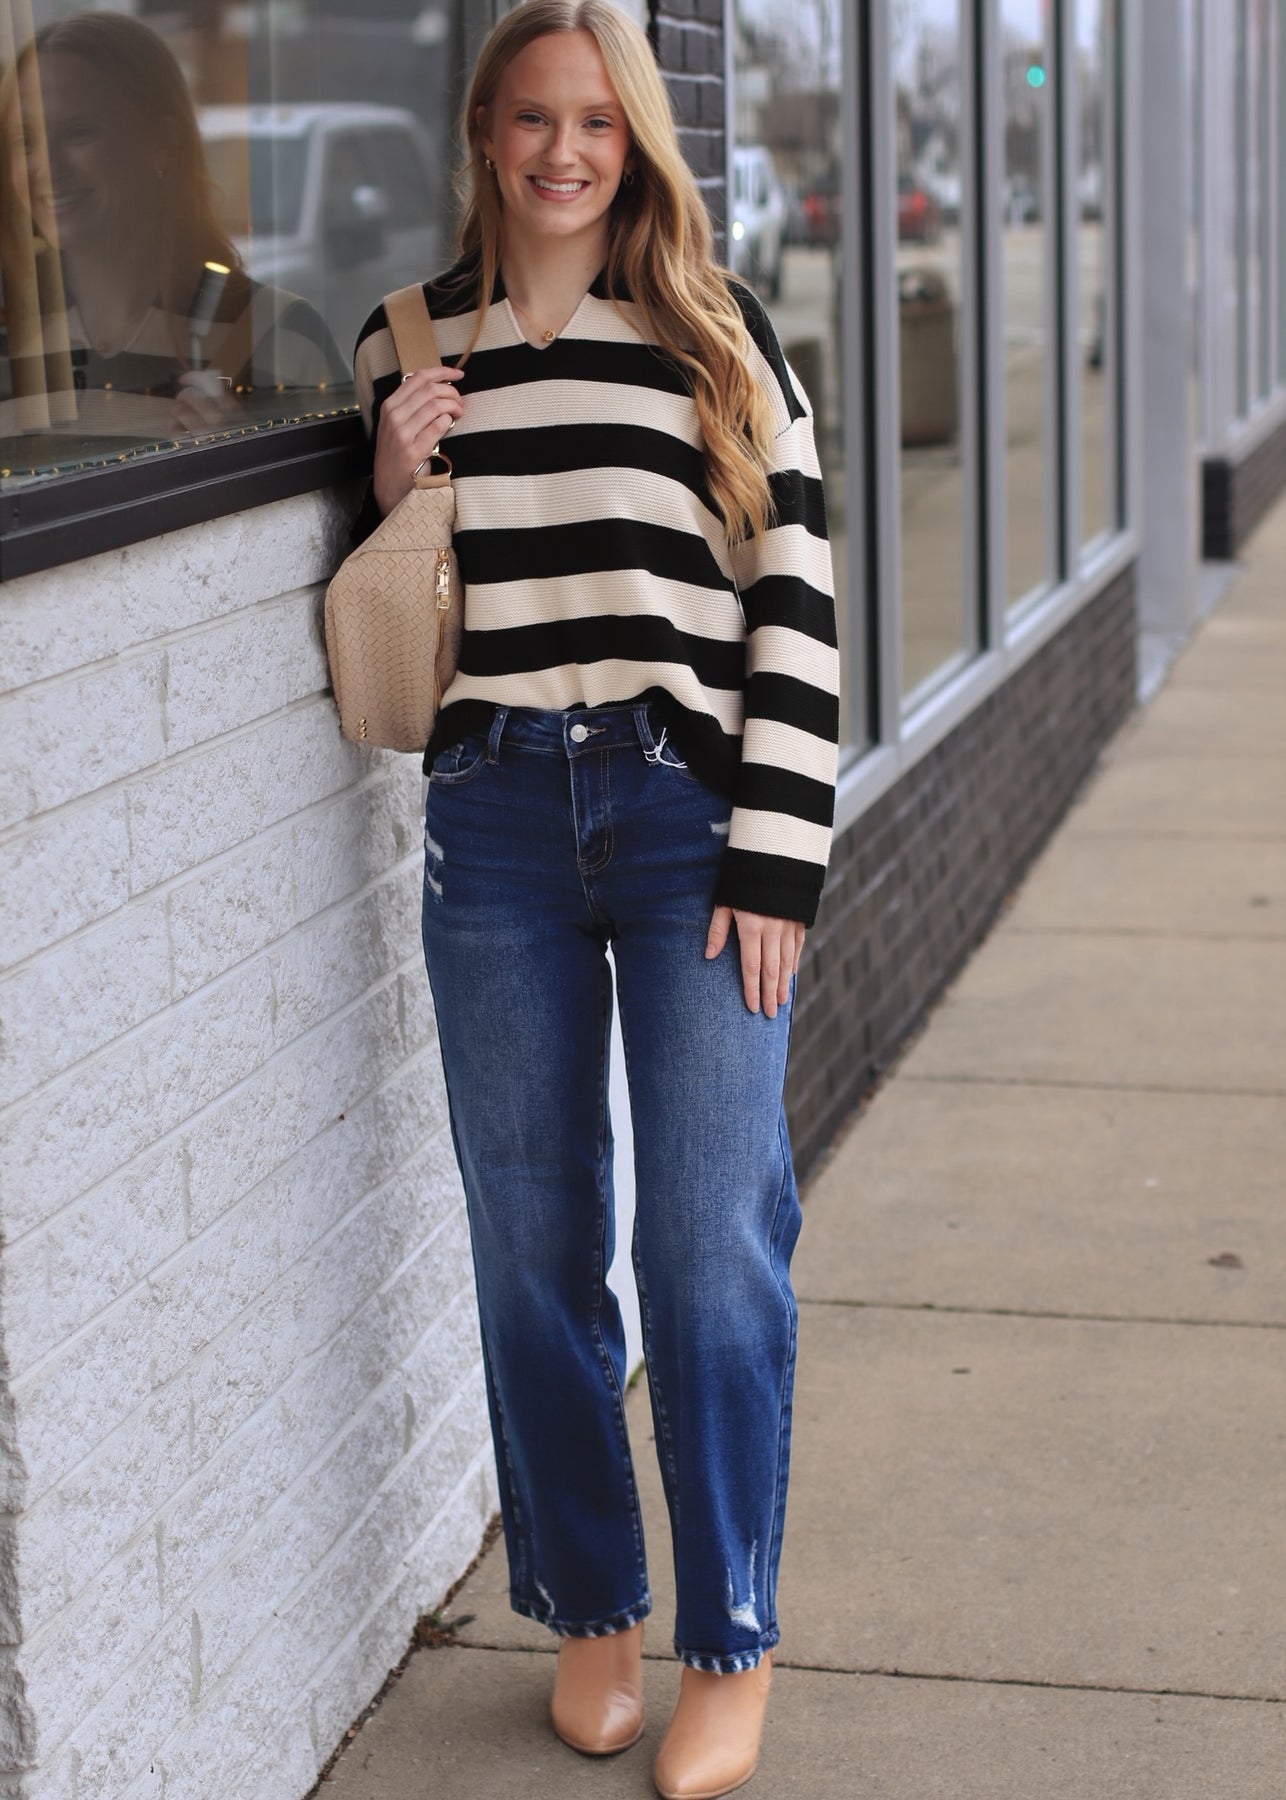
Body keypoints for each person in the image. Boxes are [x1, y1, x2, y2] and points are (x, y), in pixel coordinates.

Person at [353, 4, 838, 1794]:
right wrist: (391, 482)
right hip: (487, 819)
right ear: (484, 130)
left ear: (635, 142)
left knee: (709, 1242)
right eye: (533, 118)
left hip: (686, 818)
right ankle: (589, 1608)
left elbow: (796, 600)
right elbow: (398, 606)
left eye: (598, 123)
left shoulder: (717, 333)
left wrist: (777, 851)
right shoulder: (409, 339)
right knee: (533, 1245)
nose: (565, 152)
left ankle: (730, 1637)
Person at [0, 12, 343, 450]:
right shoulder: (10, 338)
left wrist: (237, 462)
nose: (46, 168)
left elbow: (337, 498)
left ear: (161, 142)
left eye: (78, 133)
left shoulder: (280, 338)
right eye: (25, 141)